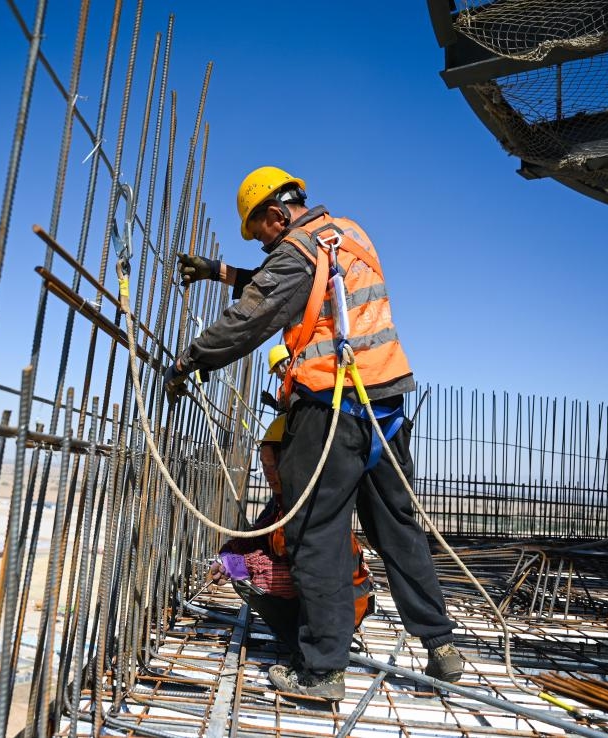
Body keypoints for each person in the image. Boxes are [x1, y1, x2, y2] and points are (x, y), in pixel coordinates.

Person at [163, 166, 462, 700]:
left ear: (277, 213)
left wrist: (191, 359)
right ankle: (440, 645)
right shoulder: (349, 233)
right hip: (386, 408)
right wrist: (217, 270)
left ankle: (322, 669)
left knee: (315, 534)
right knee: (399, 529)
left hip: (332, 410)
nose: (262, 240)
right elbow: (285, 280)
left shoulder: (297, 250)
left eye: (260, 231)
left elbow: (254, 314)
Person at [207, 346, 373, 656]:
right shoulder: (282, 503)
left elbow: (293, 576)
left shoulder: (309, 507)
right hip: (333, 601)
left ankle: (314, 651)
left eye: (274, 466)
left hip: (345, 607)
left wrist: (241, 566)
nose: (268, 474)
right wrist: (228, 554)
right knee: (247, 566)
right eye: (265, 465)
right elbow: (258, 535)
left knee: (253, 579)